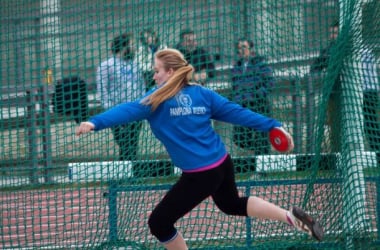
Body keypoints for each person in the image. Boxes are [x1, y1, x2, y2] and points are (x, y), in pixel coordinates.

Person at [77, 48, 323, 249]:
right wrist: (272, 125)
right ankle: (289, 216)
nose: (154, 76)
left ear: (170, 71)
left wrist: (94, 122)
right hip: (222, 163)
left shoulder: (156, 99)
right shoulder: (202, 94)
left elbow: (126, 110)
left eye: (156, 71)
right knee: (231, 205)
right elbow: (238, 113)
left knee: (159, 223)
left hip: (200, 175)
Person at [96, 32, 146, 161]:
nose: (135, 48)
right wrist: (110, 112)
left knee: (133, 144)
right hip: (118, 112)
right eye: (132, 44)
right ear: (124, 46)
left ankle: (130, 172)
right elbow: (102, 90)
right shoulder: (106, 65)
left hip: (135, 111)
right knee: (125, 143)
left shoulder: (134, 65)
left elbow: (141, 86)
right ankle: (126, 172)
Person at [231, 38, 276, 155]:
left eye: (244, 47)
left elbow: (270, 82)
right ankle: (258, 150)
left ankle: (262, 169)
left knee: (261, 136)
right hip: (242, 107)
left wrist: (258, 94)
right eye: (239, 48)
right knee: (239, 138)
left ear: (251, 49)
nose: (241, 51)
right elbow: (234, 86)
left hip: (258, 105)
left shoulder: (260, 62)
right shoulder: (237, 67)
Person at [310, 21, 341, 152]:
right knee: (334, 127)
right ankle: (337, 154)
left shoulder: (350, 49)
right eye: (331, 33)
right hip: (333, 94)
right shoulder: (327, 51)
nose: (333, 36)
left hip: (350, 95)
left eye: (335, 33)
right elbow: (314, 68)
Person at [361, 47, 380, 165]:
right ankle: (376, 150)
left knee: (370, 124)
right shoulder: (367, 52)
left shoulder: (361, 53)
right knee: (370, 124)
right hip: (370, 91)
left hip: (366, 92)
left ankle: (377, 152)